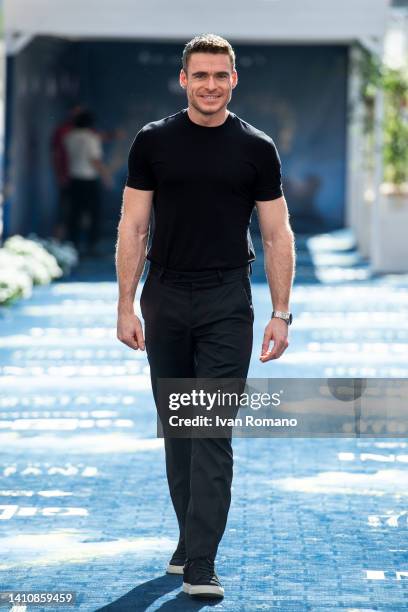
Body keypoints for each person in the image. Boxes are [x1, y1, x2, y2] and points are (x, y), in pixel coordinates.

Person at [115, 33, 295, 600]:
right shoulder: (153, 142)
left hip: (226, 300)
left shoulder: (256, 148)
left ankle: (201, 563)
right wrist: (125, 302)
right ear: (184, 80)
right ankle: (189, 537)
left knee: (210, 429)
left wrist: (281, 313)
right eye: (201, 76)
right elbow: (134, 226)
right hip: (164, 295)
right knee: (179, 429)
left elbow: (275, 233)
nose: (211, 85)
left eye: (221, 75)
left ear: (234, 80)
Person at [63, 110, 112, 255]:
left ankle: (74, 245)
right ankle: (92, 246)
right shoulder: (91, 138)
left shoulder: (69, 137)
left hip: (74, 179)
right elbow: (94, 160)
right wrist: (106, 176)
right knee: (94, 213)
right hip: (89, 180)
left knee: (75, 213)